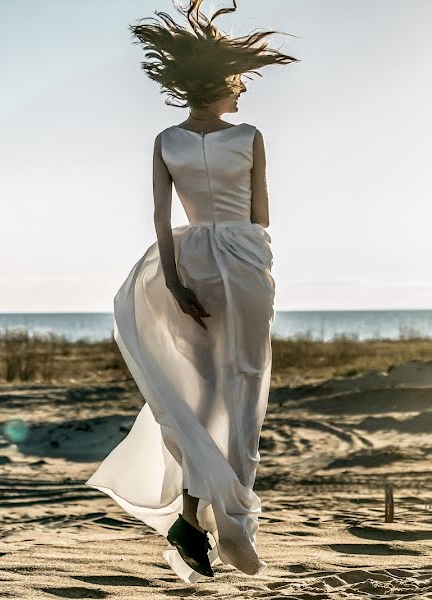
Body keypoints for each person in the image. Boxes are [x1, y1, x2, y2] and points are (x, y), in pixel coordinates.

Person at [85, 0, 298, 584]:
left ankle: (189, 521)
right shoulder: (250, 136)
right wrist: (241, 250)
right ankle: (232, 526)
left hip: (189, 259)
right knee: (245, 388)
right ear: (222, 83)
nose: (242, 96)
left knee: (202, 399)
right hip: (245, 256)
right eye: (238, 84)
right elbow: (261, 214)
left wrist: (175, 282)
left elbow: (159, 218)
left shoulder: (165, 140)